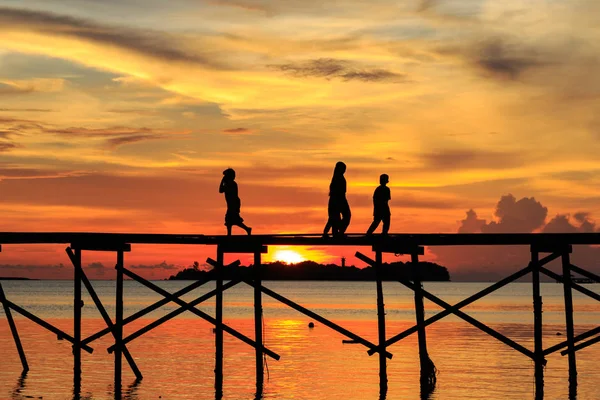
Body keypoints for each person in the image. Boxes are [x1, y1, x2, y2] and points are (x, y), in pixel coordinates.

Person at [219, 168, 252, 236]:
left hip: (234, 204)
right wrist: (223, 179)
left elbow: (220, 190)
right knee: (232, 219)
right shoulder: (229, 183)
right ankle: (247, 229)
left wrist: (223, 179)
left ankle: (230, 234)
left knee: (230, 219)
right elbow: (221, 190)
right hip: (232, 203)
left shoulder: (231, 184)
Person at [323, 161, 351, 237]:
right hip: (338, 200)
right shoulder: (337, 178)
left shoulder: (337, 177)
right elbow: (339, 192)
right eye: (343, 169)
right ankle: (336, 232)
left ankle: (336, 232)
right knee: (335, 217)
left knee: (334, 217)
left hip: (339, 199)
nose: (344, 170)